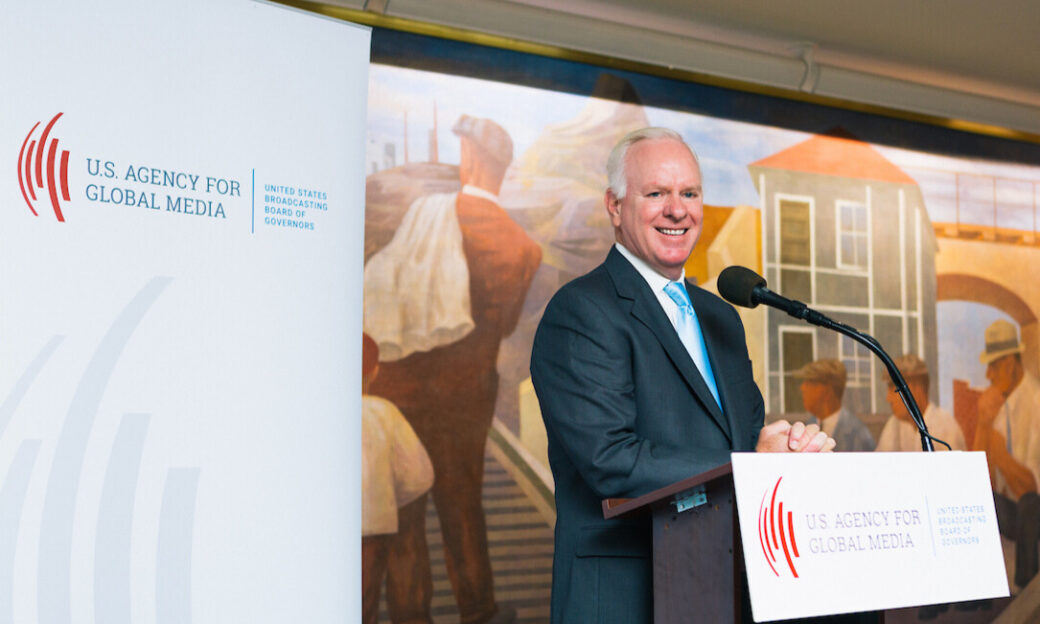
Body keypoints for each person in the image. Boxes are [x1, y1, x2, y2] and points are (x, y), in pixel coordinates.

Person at [529, 127, 835, 624]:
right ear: (614, 206)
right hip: (627, 598)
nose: (678, 210)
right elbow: (611, 460)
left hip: (724, 589)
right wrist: (751, 463)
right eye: (656, 194)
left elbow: (739, 439)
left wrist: (787, 449)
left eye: (689, 193)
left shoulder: (722, 317)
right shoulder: (581, 311)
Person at [369, 115, 542, 624]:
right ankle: (478, 611)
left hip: (399, 393)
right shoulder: (522, 248)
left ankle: (409, 616)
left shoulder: (420, 216)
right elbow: (506, 325)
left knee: (405, 518)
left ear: (468, 158)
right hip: (466, 401)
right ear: (502, 169)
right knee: (463, 504)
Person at [361, 333, 435, 624]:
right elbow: (419, 475)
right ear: (376, 370)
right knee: (366, 601)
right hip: (375, 527)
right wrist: (392, 498)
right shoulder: (384, 413)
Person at [972, 320, 1040, 591]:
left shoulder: (1036, 402)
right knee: (978, 500)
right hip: (1018, 513)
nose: (988, 375)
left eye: (994, 365)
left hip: (1034, 510)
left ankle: (1027, 594)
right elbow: (979, 480)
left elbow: (1031, 487)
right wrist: (983, 425)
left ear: (1011, 362)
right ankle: (979, 590)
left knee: (1029, 504)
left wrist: (999, 454)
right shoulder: (1002, 404)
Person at [876, 353, 965, 452]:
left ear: (916, 387)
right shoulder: (894, 425)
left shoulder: (946, 427)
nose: (888, 398)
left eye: (894, 389)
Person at [795, 359, 875, 452]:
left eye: (811, 382)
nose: (803, 387)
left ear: (828, 389)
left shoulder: (858, 433)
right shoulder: (807, 426)